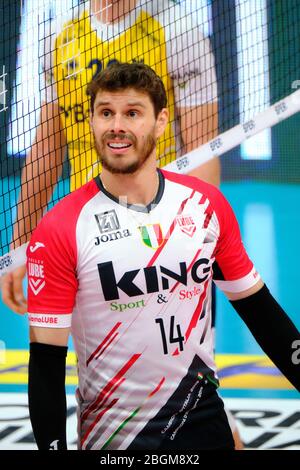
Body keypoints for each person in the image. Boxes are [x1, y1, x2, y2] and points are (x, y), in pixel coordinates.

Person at [24, 62, 299, 450]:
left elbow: (263, 316)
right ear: (91, 122)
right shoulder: (61, 228)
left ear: (161, 121)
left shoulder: (205, 206)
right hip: (116, 443)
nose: (117, 126)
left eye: (132, 113)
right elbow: (46, 368)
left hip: (204, 425)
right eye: (106, 113)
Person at [1, 0, 219, 314]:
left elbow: (203, 149)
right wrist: (20, 245)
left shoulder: (178, 30)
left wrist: (195, 242)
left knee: (178, 360)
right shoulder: (60, 37)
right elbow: (47, 148)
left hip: (162, 235)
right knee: (97, 360)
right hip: (88, 239)